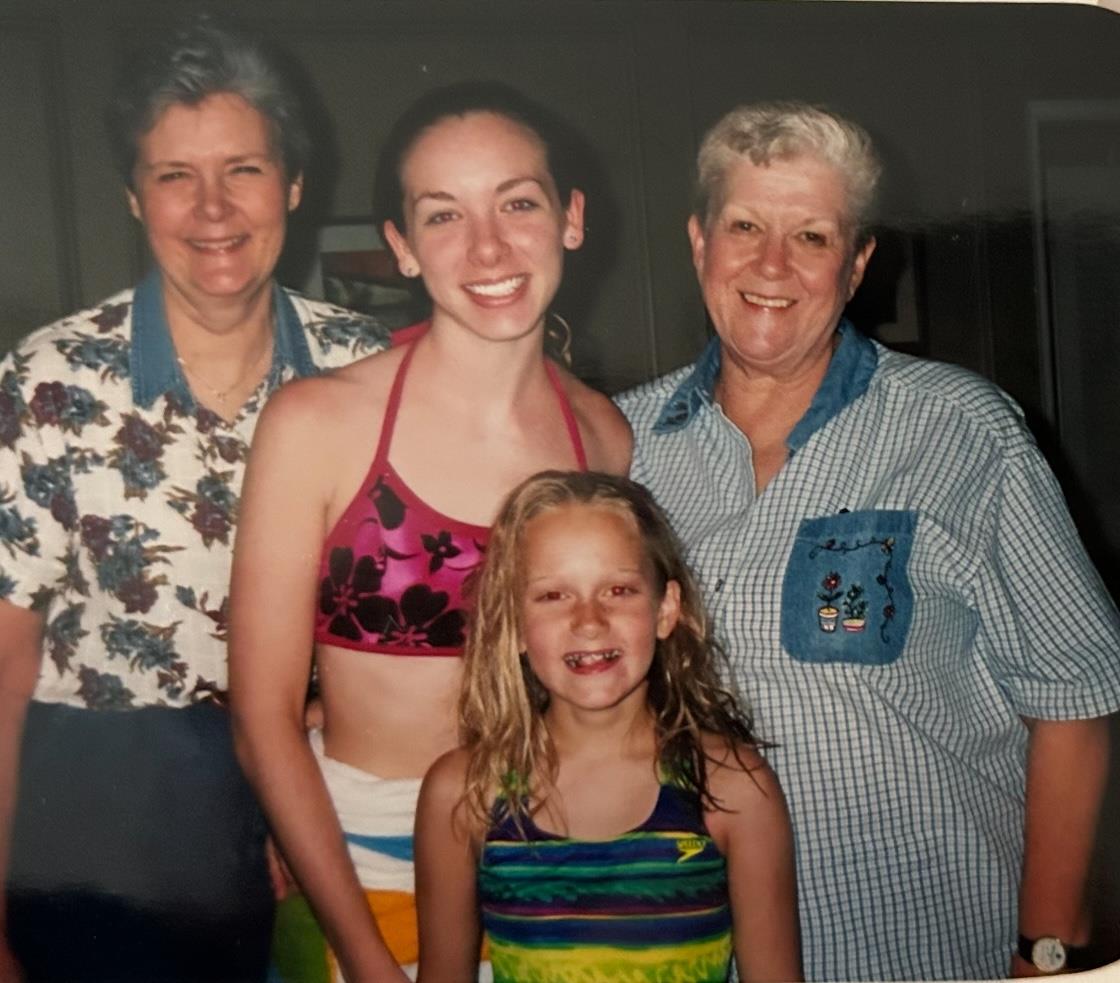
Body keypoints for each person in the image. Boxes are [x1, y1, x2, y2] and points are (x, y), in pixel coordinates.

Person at [615, 100, 1120, 981]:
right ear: (699, 242)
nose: (772, 263)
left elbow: (1075, 698)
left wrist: (1049, 950)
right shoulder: (620, 447)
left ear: (857, 263)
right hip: (693, 950)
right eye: (744, 225)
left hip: (933, 948)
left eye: (811, 236)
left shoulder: (963, 430)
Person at [0, 15, 390, 982]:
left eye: (244, 169)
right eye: (175, 175)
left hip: (324, 794)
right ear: (135, 197)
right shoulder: (49, 383)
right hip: (103, 818)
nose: (213, 208)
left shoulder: (371, 370)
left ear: (295, 184)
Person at [229, 82, 631, 982]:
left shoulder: (602, 435)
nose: (488, 246)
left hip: (553, 862)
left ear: (570, 217)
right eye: (443, 215)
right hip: (366, 873)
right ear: (403, 248)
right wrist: (365, 959)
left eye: (518, 202)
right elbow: (262, 719)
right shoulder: (319, 423)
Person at [414, 470, 800, 983]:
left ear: (666, 610)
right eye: (553, 595)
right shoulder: (465, 792)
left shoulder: (733, 788)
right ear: (513, 623)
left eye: (618, 590)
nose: (590, 620)